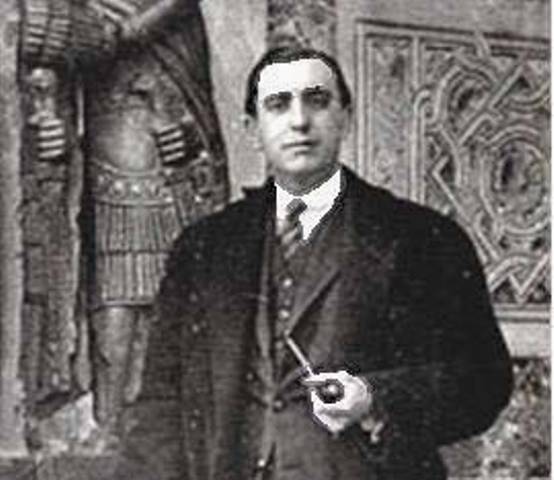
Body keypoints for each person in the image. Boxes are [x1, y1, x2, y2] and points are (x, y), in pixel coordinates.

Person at [115, 46, 513, 480]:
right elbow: (159, 404)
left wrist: (375, 397)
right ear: (252, 129)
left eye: (317, 101)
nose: (299, 121)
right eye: (278, 105)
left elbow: (483, 381)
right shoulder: (203, 248)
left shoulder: (422, 238)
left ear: (346, 118)